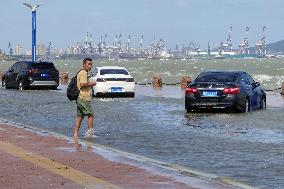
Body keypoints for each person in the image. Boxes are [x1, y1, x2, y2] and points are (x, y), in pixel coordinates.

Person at [74, 58, 97, 138]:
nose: (90, 66)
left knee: (80, 116)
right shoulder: (83, 73)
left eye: (91, 64)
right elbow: (82, 84)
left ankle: (75, 134)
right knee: (91, 115)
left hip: (80, 98)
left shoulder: (81, 72)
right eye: (88, 64)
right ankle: (90, 134)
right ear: (84, 65)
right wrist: (92, 84)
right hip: (84, 98)